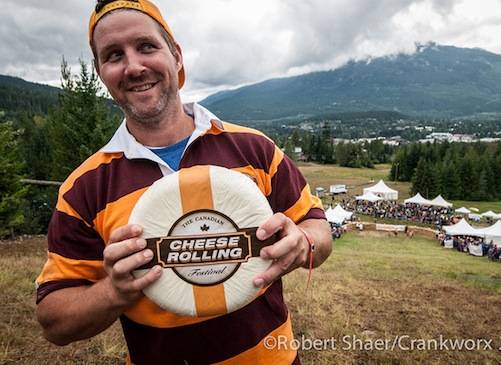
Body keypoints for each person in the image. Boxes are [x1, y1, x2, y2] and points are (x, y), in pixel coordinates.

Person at [35, 1, 333, 364]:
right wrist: (114, 291)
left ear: (176, 56)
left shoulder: (255, 149)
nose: (133, 66)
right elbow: (53, 322)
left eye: (146, 46)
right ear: (100, 72)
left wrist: (302, 243)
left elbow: (318, 227)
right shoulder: (83, 189)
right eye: (114, 55)